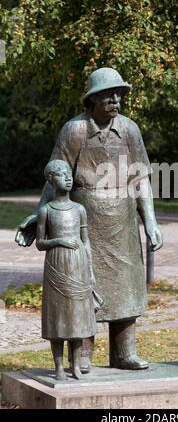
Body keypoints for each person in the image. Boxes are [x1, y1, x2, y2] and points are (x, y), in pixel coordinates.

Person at [16, 67, 163, 371]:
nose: (115, 99)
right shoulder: (75, 130)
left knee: (127, 284)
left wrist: (150, 221)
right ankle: (82, 353)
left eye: (119, 94)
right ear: (93, 99)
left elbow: (142, 178)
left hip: (122, 218)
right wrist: (39, 213)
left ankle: (125, 352)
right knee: (85, 284)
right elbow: (54, 173)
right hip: (87, 216)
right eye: (108, 94)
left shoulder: (130, 130)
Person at [36, 159, 100, 380]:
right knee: (58, 317)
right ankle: (58, 367)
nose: (68, 177)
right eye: (62, 174)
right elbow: (40, 243)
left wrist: (90, 272)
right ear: (51, 180)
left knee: (77, 317)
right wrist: (60, 240)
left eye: (69, 173)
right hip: (56, 264)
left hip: (78, 264)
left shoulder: (80, 209)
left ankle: (75, 365)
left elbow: (86, 241)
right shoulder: (46, 210)